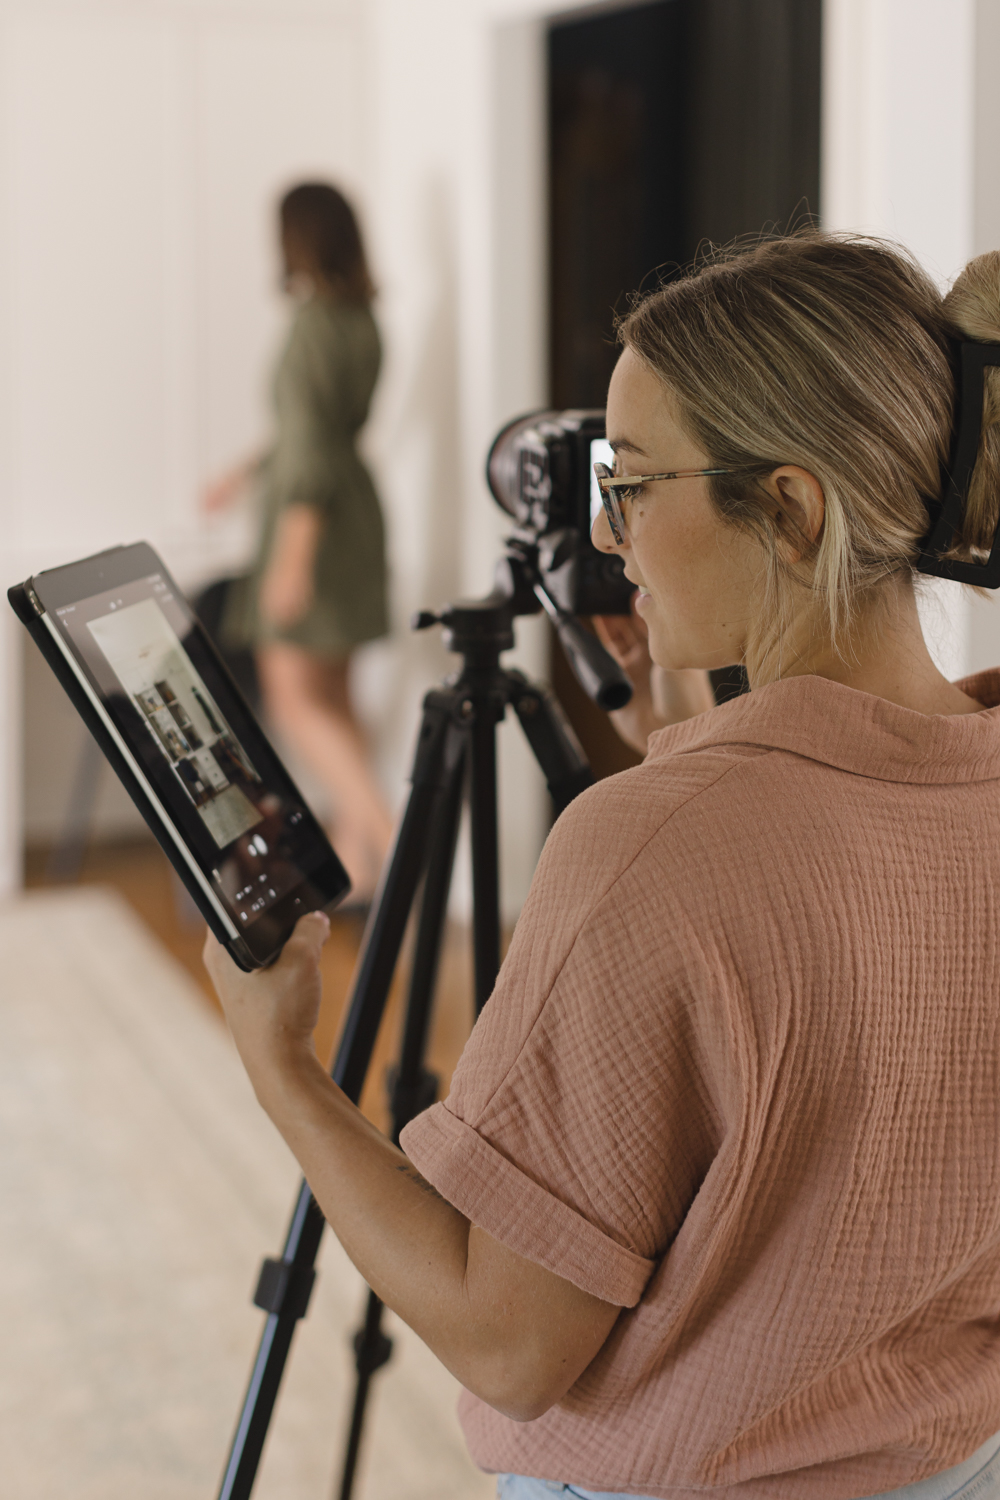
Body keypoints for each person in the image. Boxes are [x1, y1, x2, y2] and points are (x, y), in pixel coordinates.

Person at [204, 232, 1000, 1500]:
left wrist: (281, 1066)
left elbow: (510, 1345)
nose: (603, 529)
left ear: (788, 509)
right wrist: (687, 752)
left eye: (629, 482)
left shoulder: (653, 848)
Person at [204, 182, 394, 901]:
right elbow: (311, 433)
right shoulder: (362, 318)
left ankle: (383, 830)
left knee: (290, 699)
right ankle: (361, 860)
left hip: (315, 519)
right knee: (333, 696)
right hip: (353, 512)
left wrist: (289, 561)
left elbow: (310, 449)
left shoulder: (314, 321)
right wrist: (243, 472)